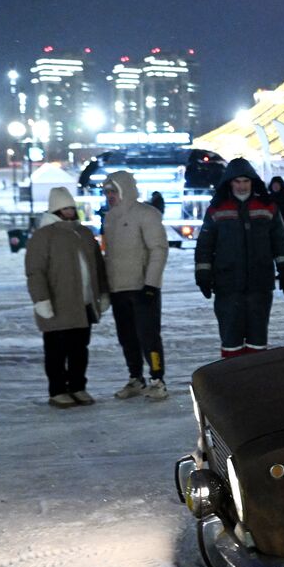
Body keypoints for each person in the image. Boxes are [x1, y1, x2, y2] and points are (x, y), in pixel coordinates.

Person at [195, 159, 284, 359]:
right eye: (237, 182)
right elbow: (205, 244)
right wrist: (203, 274)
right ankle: (232, 384)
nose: (241, 186)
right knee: (231, 341)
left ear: (252, 182)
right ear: (229, 183)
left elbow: (280, 241)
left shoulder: (268, 207)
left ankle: (255, 384)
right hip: (227, 285)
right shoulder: (217, 209)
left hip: (260, 285)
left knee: (258, 341)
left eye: (245, 181)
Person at [26, 187, 109, 408]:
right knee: (56, 351)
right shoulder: (44, 236)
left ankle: (77, 387)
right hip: (57, 304)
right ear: (55, 209)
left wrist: (102, 292)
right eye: (65, 208)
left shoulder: (83, 233)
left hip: (83, 305)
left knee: (79, 350)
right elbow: (35, 271)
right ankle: (57, 390)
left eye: (72, 207)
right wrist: (41, 300)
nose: (70, 212)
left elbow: (97, 266)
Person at [100, 170, 171, 401]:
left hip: (142, 288)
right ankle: (135, 378)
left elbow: (158, 249)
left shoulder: (146, 214)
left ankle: (157, 379)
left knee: (148, 336)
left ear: (125, 190)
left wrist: (151, 283)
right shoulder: (109, 218)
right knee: (127, 337)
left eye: (113, 191)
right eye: (107, 192)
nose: (110, 196)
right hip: (118, 288)